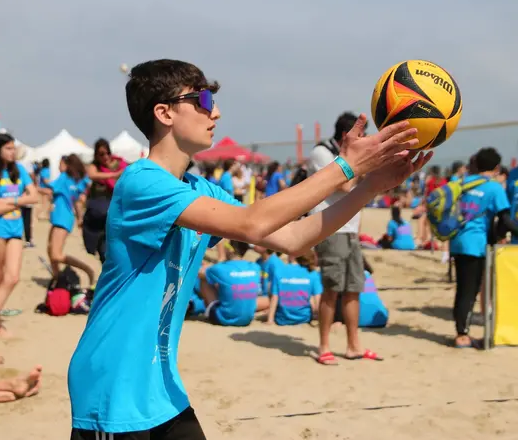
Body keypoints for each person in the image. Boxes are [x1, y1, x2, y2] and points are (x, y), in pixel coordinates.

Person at [67, 58, 429, 439]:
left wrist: (370, 188)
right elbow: (251, 222)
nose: (216, 111)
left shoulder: (200, 189)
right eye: (203, 99)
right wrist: (346, 166)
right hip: (112, 389)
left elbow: (293, 238)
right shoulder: (141, 182)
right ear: (164, 112)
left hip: (159, 388)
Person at [308, 112, 376, 365]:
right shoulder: (322, 153)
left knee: (354, 289)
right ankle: (324, 345)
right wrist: (365, 165)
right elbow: (344, 185)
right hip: (329, 227)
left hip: (350, 229)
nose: (365, 139)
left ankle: (353, 345)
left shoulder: (348, 156)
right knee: (332, 289)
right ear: (347, 136)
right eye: (362, 134)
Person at [450, 148, 518, 348]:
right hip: (476, 243)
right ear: (497, 167)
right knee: (470, 291)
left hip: (457, 240)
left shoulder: (461, 182)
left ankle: (460, 330)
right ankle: (462, 335)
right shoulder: (493, 188)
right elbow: (505, 219)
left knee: (462, 288)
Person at [0, 133, 38, 337]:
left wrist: (10, 202)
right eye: (8, 148)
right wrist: (19, 199)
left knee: (12, 277)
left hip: (15, 230)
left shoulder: (20, 170)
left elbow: (35, 196)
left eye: (13, 148)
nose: (12, 152)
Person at [47, 154, 95, 283]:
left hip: (62, 219)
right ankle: (56, 278)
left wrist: (30, 189)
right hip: (63, 218)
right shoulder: (72, 180)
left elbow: (49, 189)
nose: (58, 166)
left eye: (60, 163)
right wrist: (79, 218)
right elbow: (77, 202)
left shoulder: (63, 178)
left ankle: (87, 270)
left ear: (66, 165)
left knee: (55, 254)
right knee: (50, 249)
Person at [198, 240, 268, 326]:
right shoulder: (255, 267)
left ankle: (209, 308)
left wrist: (219, 260)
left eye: (226, 246)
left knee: (204, 279)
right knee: (240, 291)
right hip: (247, 319)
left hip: (223, 318)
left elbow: (200, 272)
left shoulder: (221, 268)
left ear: (231, 250)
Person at [81, 138, 127, 263]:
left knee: (110, 251)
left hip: (113, 217)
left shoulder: (119, 165)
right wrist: (114, 175)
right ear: (96, 155)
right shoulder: (95, 167)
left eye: (107, 153)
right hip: (96, 218)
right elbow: (92, 175)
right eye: (101, 154)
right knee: (100, 250)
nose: (105, 156)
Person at [267, 254, 323, 326]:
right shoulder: (312, 273)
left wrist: (270, 320)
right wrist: (319, 318)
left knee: (270, 287)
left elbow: (274, 297)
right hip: (304, 319)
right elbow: (318, 300)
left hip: (282, 319)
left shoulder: (279, 270)